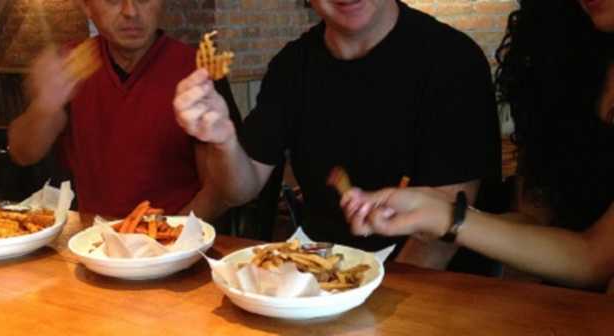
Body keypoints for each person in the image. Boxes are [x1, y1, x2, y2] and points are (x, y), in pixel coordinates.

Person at [174, 0, 501, 270]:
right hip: (320, 283)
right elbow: (239, 190)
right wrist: (223, 141)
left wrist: (371, 304)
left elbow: (439, 236)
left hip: (440, 293)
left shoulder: (453, 60)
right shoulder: (292, 66)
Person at [340, 0, 614, 291]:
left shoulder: (449, 59)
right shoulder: (561, 54)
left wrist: (447, 218)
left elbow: (595, 259)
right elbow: (537, 220)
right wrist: (429, 210)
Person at [8, 0, 241, 219]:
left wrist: (169, 238)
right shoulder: (70, 67)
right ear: (87, 7)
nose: (131, 11)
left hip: (177, 239)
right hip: (91, 241)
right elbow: (23, 154)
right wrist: (44, 107)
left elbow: (219, 191)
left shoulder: (196, 71)